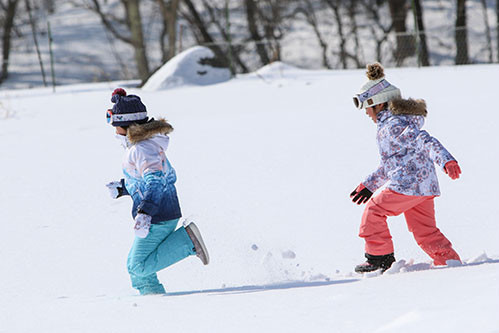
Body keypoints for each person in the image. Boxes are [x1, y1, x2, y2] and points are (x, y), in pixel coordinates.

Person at [350, 63, 461, 273]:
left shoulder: (393, 125)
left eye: (367, 106)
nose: (366, 112)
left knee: (374, 211)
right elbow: (391, 165)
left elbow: (424, 140)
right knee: (424, 231)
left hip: (407, 185)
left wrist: (446, 160)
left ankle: (379, 258)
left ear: (378, 104)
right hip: (424, 187)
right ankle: (449, 261)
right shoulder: (394, 124)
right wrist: (369, 185)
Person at [105, 88, 209, 295]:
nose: (113, 129)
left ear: (126, 125)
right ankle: (152, 300)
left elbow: (155, 181)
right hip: (159, 213)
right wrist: (124, 187)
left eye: (114, 124)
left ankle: (187, 241)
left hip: (158, 215)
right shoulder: (139, 148)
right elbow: (145, 180)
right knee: (137, 270)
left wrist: (145, 213)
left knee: (137, 266)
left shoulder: (141, 149)